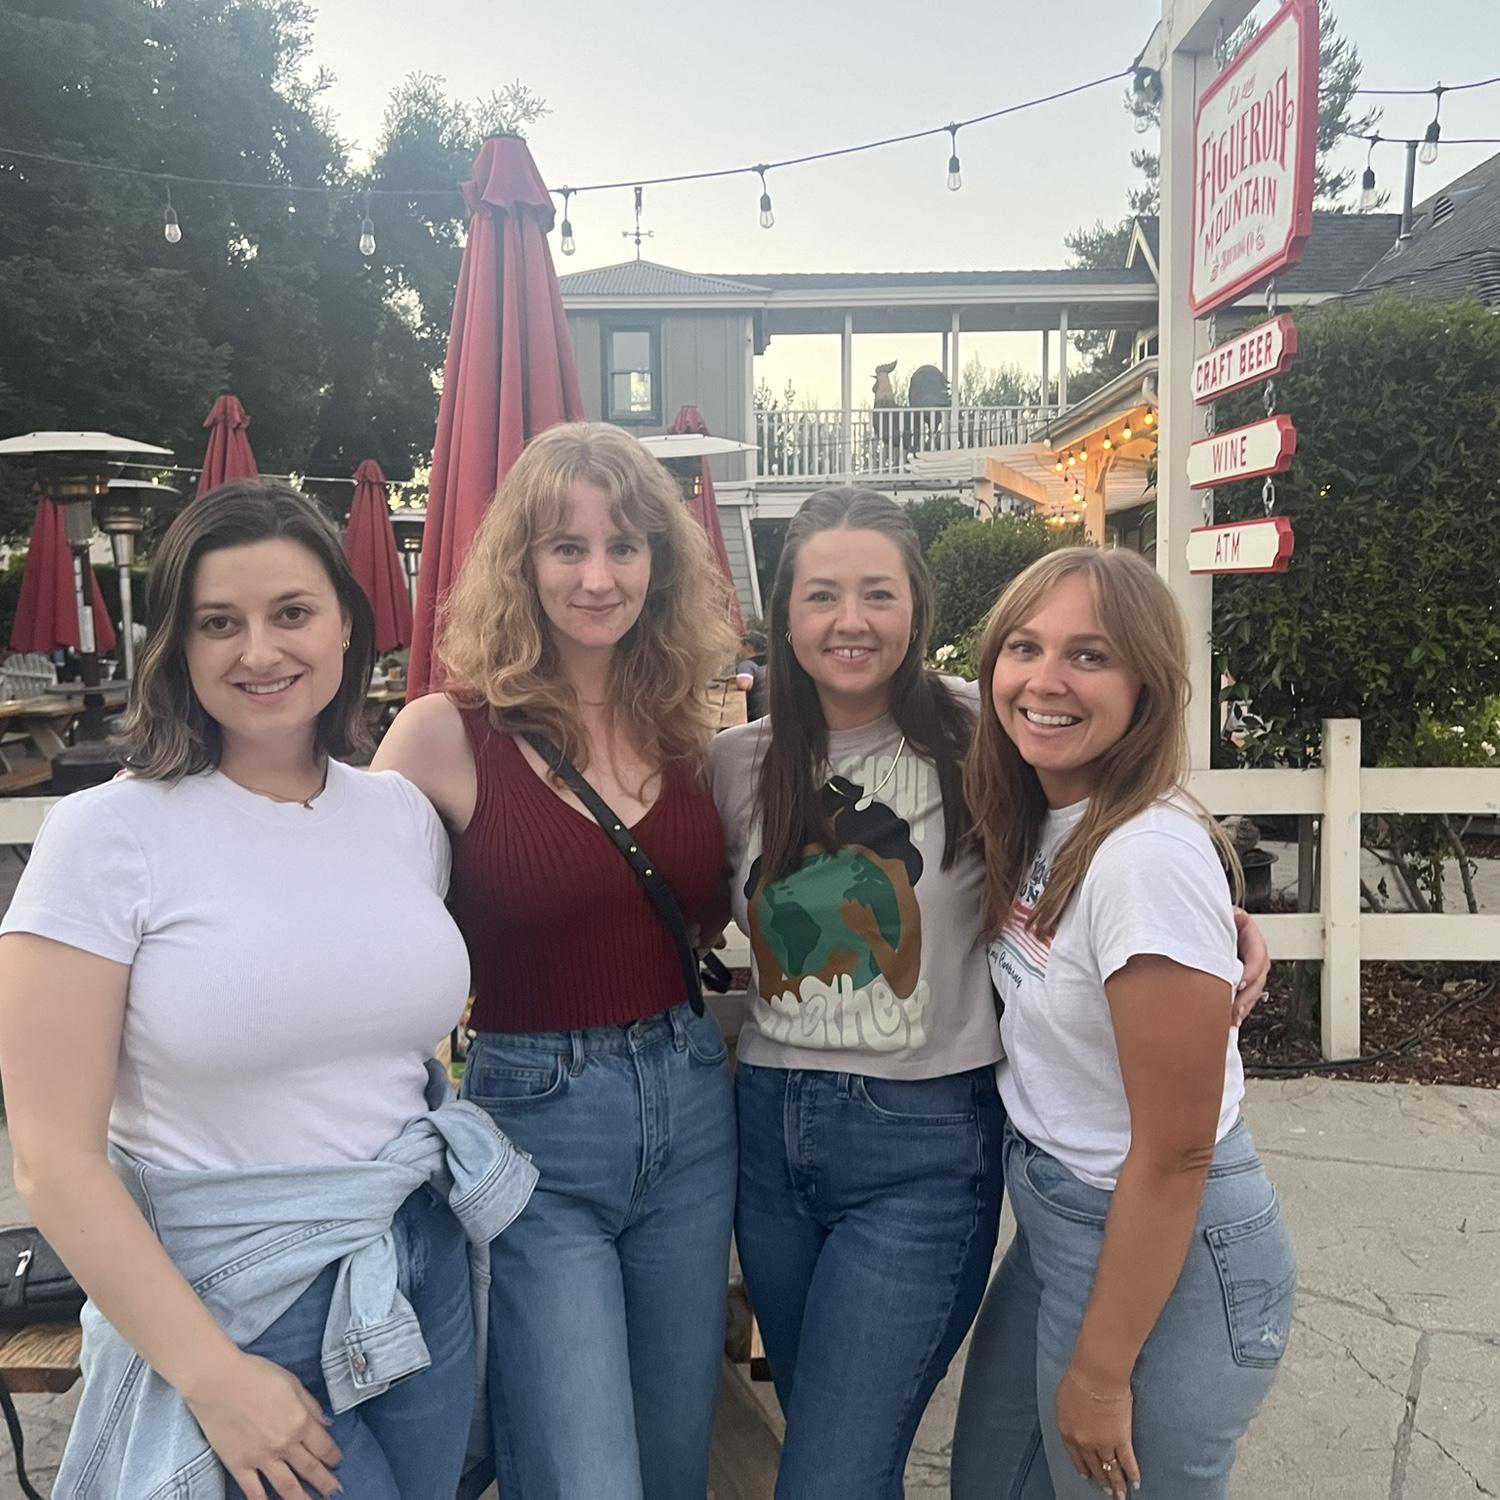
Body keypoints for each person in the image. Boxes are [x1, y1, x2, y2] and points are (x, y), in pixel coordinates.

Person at [708, 489, 1271, 1500]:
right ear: (784, 614)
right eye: (823, 594)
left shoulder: (988, 729)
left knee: (831, 1472)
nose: (850, 620)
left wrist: (1213, 912)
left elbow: (1125, 801)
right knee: (833, 1440)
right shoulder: (733, 766)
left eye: (878, 593)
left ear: (919, 610)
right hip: (771, 1134)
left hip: (921, 1141)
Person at [0, 479, 536, 1500]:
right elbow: (53, 1162)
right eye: (218, 623)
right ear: (179, 645)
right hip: (240, 1300)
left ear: (345, 626)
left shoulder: (400, 818)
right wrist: (210, 1375)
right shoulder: (107, 837)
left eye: (291, 613)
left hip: (414, 1261)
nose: (259, 652)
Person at [374, 421, 739, 1500]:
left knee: (677, 1461)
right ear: (521, 565)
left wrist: (1197, 864)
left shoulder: (686, 729)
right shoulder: (446, 734)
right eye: (567, 548)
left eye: (626, 547)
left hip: (692, 1110)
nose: (598, 575)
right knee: (584, 1473)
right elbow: (338, 905)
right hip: (536, 1124)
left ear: (659, 567)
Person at [950, 547, 1295, 1500]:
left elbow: (1176, 1155)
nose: (1044, 681)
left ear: (1148, 683)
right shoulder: (1049, 809)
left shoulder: (1143, 855)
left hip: (1165, 1251)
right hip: (1062, 1223)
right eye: (1024, 646)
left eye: (1090, 657)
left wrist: (1102, 1377)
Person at [735, 623, 769, 721]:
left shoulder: (747, 664)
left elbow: (744, 684)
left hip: (760, 719)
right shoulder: (774, 662)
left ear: (748, 646)